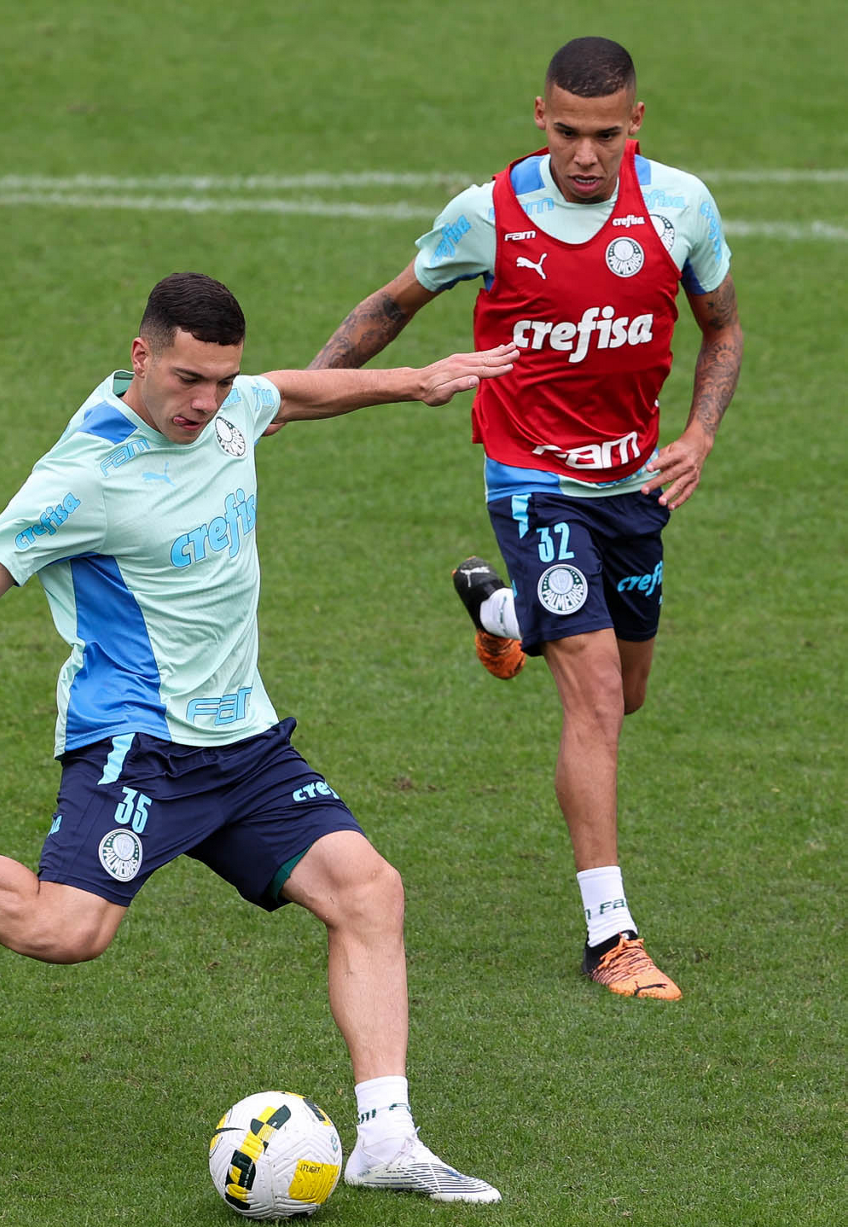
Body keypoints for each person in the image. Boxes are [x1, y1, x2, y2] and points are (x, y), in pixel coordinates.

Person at [0, 272, 518, 1203]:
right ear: (142, 356)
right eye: (188, 379)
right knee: (65, 931)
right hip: (139, 741)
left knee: (369, 891)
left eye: (221, 380)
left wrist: (414, 380)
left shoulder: (230, 409)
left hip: (246, 741)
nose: (206, 402)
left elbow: (290, 393)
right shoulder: (83, 476)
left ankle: (387, 1142)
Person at [307, 38, 743, 1000]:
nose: (586, 155)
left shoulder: (681, 206)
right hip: (531, 479)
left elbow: (723, 328)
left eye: (606, 135)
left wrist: (701, 434)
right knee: (595, 700)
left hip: (634, 486)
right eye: (568, 132)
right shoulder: (488, 215)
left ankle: (503, 614)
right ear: (539, 116)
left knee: (629, 692)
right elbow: (392, 303)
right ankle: (611, 935)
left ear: (636, 124)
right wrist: (295, 396)